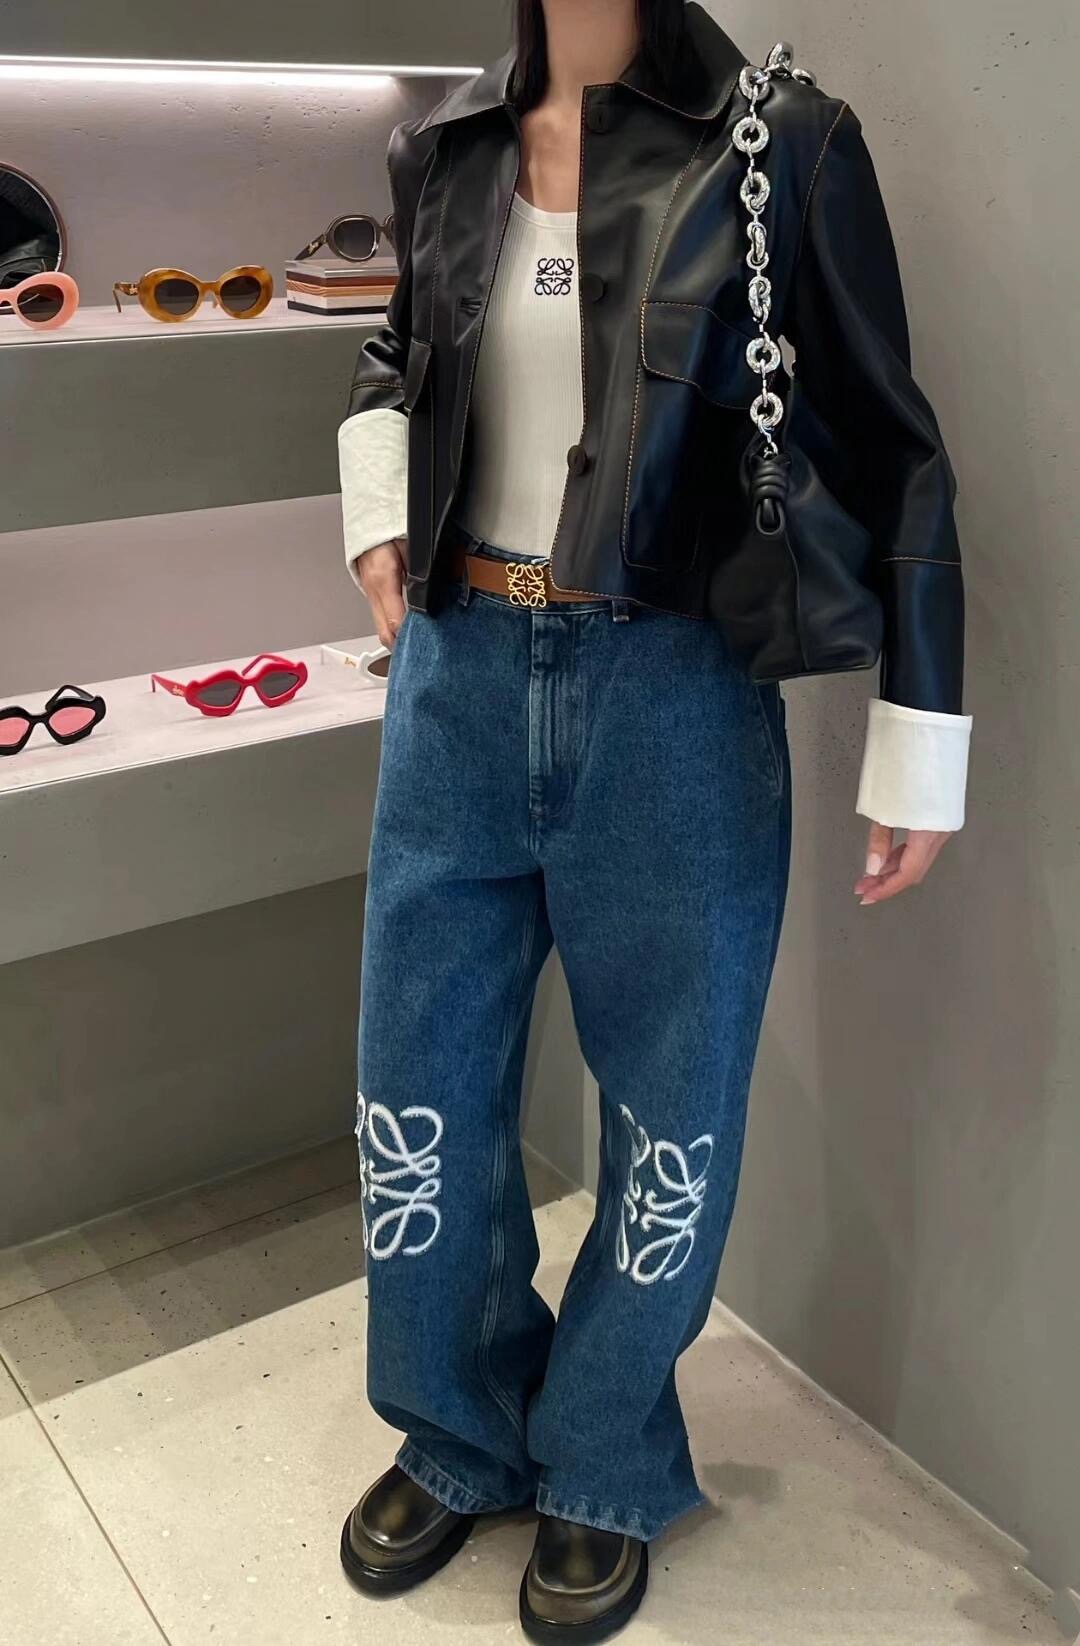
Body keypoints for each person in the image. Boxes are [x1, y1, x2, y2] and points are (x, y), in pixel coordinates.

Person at [335, 2, 972, 1638]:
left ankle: (606, 1447)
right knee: (420, 1083)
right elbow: (397, 352)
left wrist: (917, 738)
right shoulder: (447, 147)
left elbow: (897, 452)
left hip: (672, 689)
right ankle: (458, 1421)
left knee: (671, 1106)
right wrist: (375, 518)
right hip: (458, 675)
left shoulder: (784, 143)